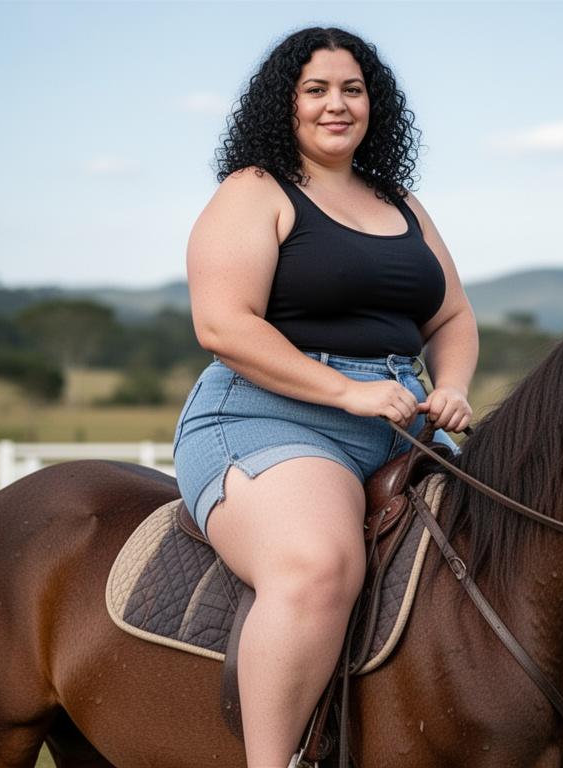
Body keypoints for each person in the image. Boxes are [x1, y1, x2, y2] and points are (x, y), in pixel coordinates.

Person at [173, 26, 478, 768]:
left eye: (352, 89)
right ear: (287, 103)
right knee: (317, 564)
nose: (335, 105)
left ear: (374, 104)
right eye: (316, 90)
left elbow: (452, 316)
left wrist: (454, 387)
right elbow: (222, 324)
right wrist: (348, 390)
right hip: (264, 417)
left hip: (402, 422)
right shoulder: (254, 191)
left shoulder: (402, 202)